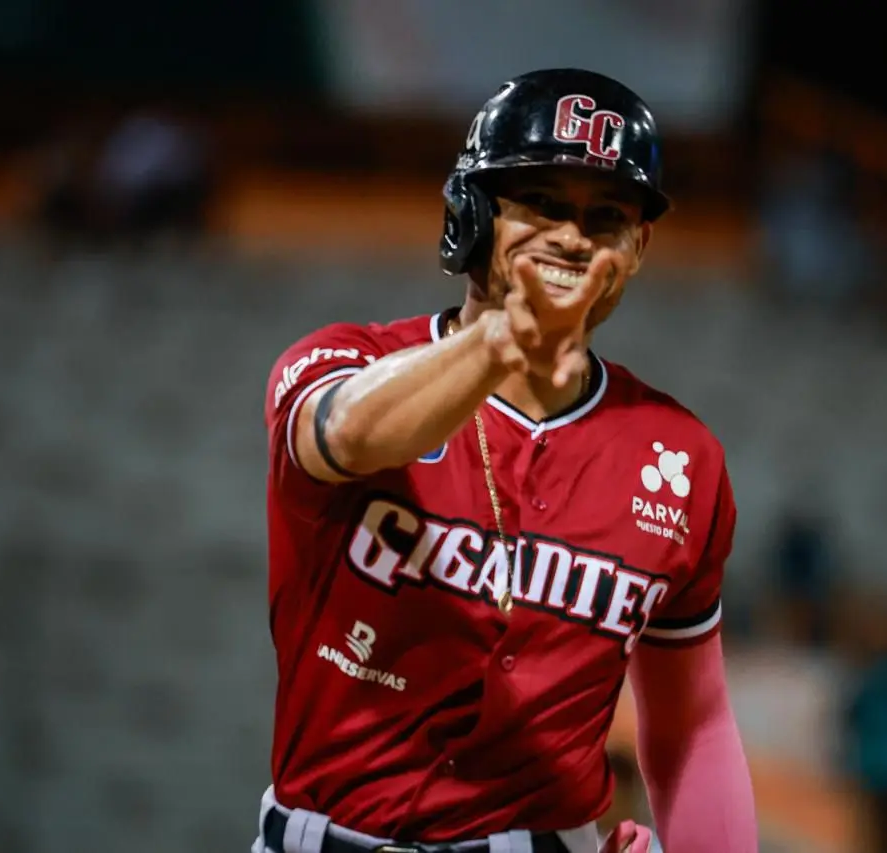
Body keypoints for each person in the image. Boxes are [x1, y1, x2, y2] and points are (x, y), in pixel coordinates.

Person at [256, 68, 757, 853]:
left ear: (638, 246)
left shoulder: (681, 456)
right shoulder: (343, 359)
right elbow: (347, 434)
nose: (571, 236)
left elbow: (693, 726)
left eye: (606, 216)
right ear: (474, 212)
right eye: (543, 204)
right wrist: (500, 342)